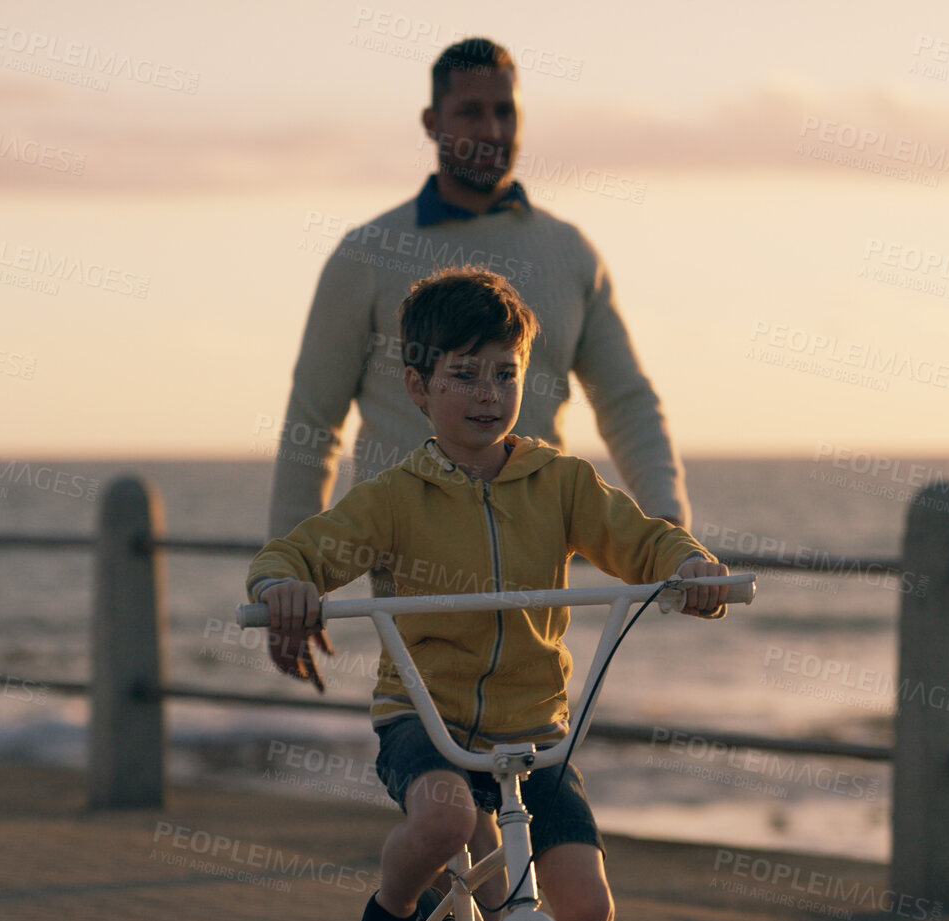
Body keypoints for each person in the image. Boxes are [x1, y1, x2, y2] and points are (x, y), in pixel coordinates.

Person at [247, 266, 728, 921]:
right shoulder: (395, 498)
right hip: (429, 724)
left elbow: (639, 539)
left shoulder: (560, 483)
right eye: (463, 374)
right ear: (417, 386)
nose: (486, 394)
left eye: (504, 374)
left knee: (588, 909)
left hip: (536, 737)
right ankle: (390, 914)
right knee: (445, 825)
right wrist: (284, 586)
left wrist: (687, 567)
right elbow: (301, 551)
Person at [269, 35, 690, 551]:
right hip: (409, 563)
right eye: (470, 112)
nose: (491, 130)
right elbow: (313, 419)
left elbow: (624, 402)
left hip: (538, 557)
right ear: (431, 123)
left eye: (504, 112)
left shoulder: (571, 252)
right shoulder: (366, 254)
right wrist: (289, 578)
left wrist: (669, 522)